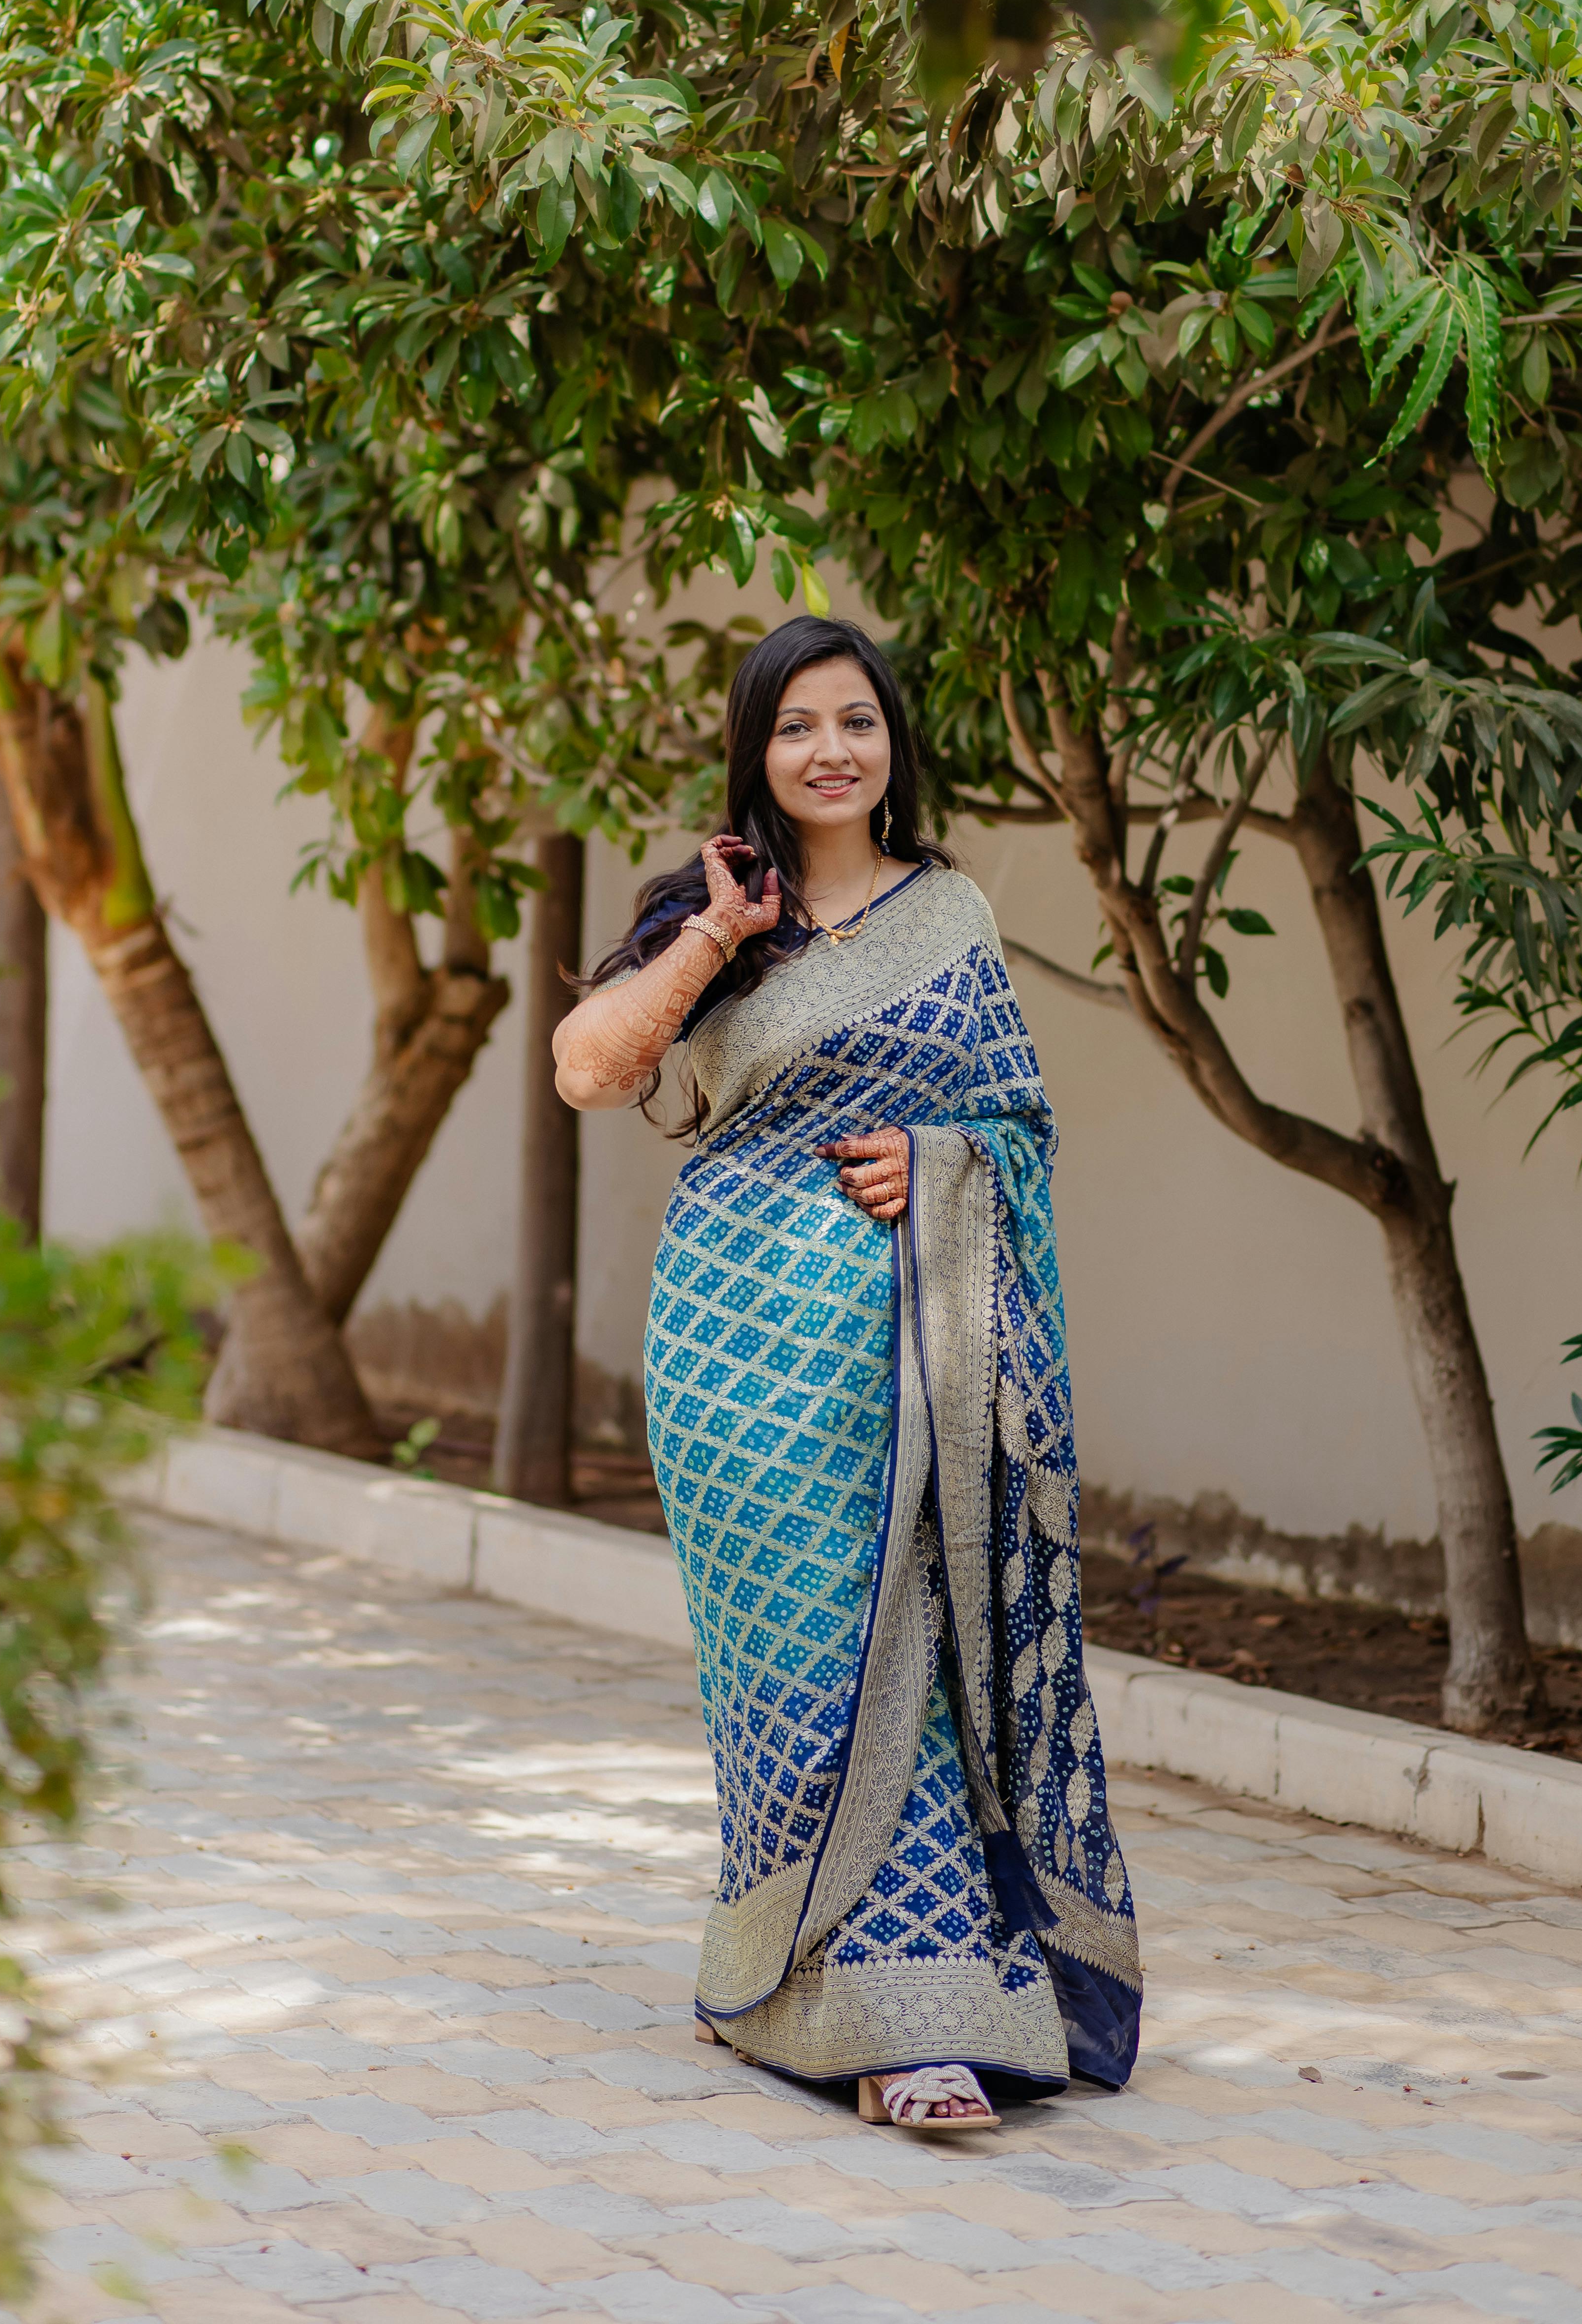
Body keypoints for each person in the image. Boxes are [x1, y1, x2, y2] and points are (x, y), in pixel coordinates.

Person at [554, 617, 1141, 2138]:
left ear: (894, 747)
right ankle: (784, 1977)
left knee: (912, 1672)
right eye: (798, 725)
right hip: (737, 1359)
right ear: (756, 752)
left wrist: (942, 1159)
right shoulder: (717, 917)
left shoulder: (948, 917)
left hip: (912, 1351)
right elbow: (589, 1068)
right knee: (793, 1682)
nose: (832, 749)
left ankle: (912, 2012)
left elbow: (1026, 1127)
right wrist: (712, 940)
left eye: (858, 722)